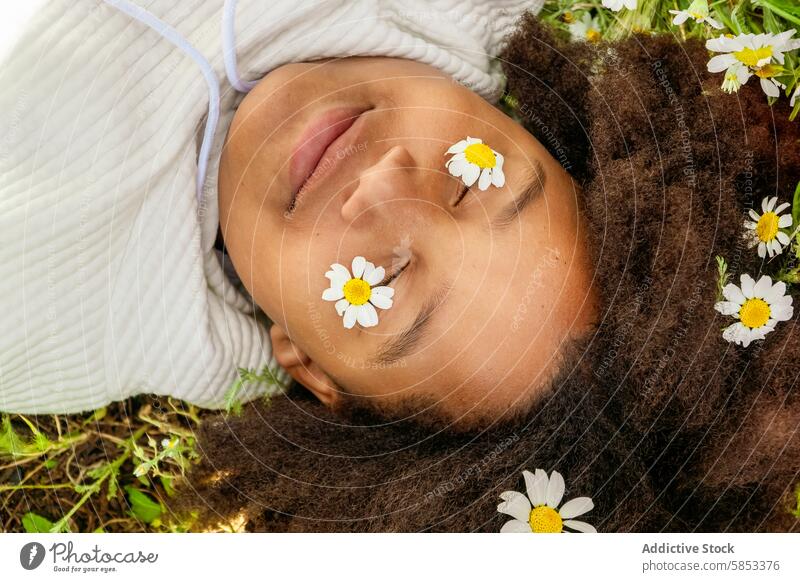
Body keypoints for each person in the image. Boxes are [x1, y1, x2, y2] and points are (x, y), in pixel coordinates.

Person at [178, 15, 800, 533]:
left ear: (311, 366)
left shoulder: (102, 317)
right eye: (476, 178)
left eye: (386, 284)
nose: (383, 185)